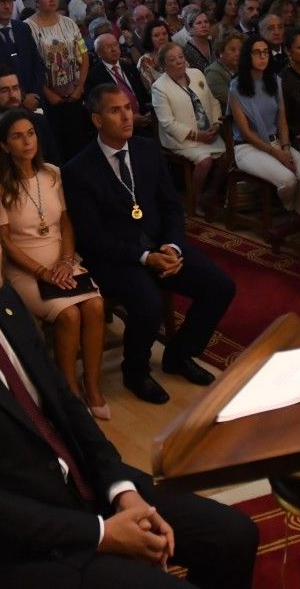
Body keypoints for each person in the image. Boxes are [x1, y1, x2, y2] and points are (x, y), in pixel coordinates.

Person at [0, 171, 257, 588]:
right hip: (9, 547)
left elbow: (66, 404)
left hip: (77, 484)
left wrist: (121, 488)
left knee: (234, 535)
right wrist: (103, 533)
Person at [64, 85, 236, 405]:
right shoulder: (78, 170)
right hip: (117, 257)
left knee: (219, 285)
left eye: (127, 108)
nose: (126, 115)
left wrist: (172, 247)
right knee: (148, 303)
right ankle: (136, 372)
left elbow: (171, 206)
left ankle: (179, 355)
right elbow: (92, 237)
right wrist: (145, 257)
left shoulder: (146, 150)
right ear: (97, 120)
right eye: (115, 110)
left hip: (160, 245)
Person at [0, 109, 109, 418]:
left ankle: (92, 383)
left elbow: (66, 224)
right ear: (4, 146)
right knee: (68, 315)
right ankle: (68, 388)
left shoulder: (52, 173)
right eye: (17, 136)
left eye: (30, 133)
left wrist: (67, 262)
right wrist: (43, 272)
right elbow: (5, 242)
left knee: (95, 306)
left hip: (62, 261)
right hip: (25, 269)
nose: (27, 141)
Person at [229, 36, 300, 216]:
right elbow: (246, 132)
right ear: (248, 56)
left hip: (276, 141)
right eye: (257, 53)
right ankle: (290, 210)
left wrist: (285, 147)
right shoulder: (236, 86)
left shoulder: (274, 80)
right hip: (248, 147)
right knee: (289, 181)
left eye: (265, 52)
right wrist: (276, 153)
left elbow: (282, 119)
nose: (263, 57)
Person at [151, 43, 227, 216]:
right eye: (172, 59)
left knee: (227, 156)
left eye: (180, 57)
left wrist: (216, 124)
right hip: (181, 138)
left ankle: (209, 196)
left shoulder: (196, 73)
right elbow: (167, 123)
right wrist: (197, 136)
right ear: (164, 65)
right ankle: (195, 199)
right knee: (205, 161)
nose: (179, 61)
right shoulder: (159, 87)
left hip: (207, 132)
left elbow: (213, 101)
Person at [27, 0, 91, 160]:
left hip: (74, 94)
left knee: (78, 142)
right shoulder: (28, 27)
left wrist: (80, 87)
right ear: (36, 1)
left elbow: (84, 53)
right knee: (56, 146)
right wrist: (47, 93)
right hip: (48, 99)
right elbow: (31, 65)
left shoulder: (69, 23)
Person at [0, 64, 61, 176]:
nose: (12, 95)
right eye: (4, 90)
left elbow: (54, 165)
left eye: (15, 88)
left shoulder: (39, 122)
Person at [84, 33, 153, 133]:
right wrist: (128, 119)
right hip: (118, 129)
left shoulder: (129, 67)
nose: (114, 49)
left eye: (115, 44)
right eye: (108, 47)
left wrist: (147, 113)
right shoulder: (93, 77)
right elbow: (98, 109)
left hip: (145, 123)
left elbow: (143, 95)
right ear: (99, 53)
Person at [206, 30, 242, 109]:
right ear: (221, 51)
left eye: (240, 50)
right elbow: (232, 101)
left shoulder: (241, 68)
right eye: (233, 50)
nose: (237, 53)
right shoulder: (213, 73)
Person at [136, 19, 171, 91]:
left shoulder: (175, 52)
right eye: (156, 35)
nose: (162, 38)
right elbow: (151, 89)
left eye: (164, 34)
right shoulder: (144, 61)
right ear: (149, 39)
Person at [180, 7, 214, 73]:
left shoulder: (214, 44)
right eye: (199, 23)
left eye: (206, 22)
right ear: (191, 28)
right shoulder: (186, 51)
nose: (204, 25)